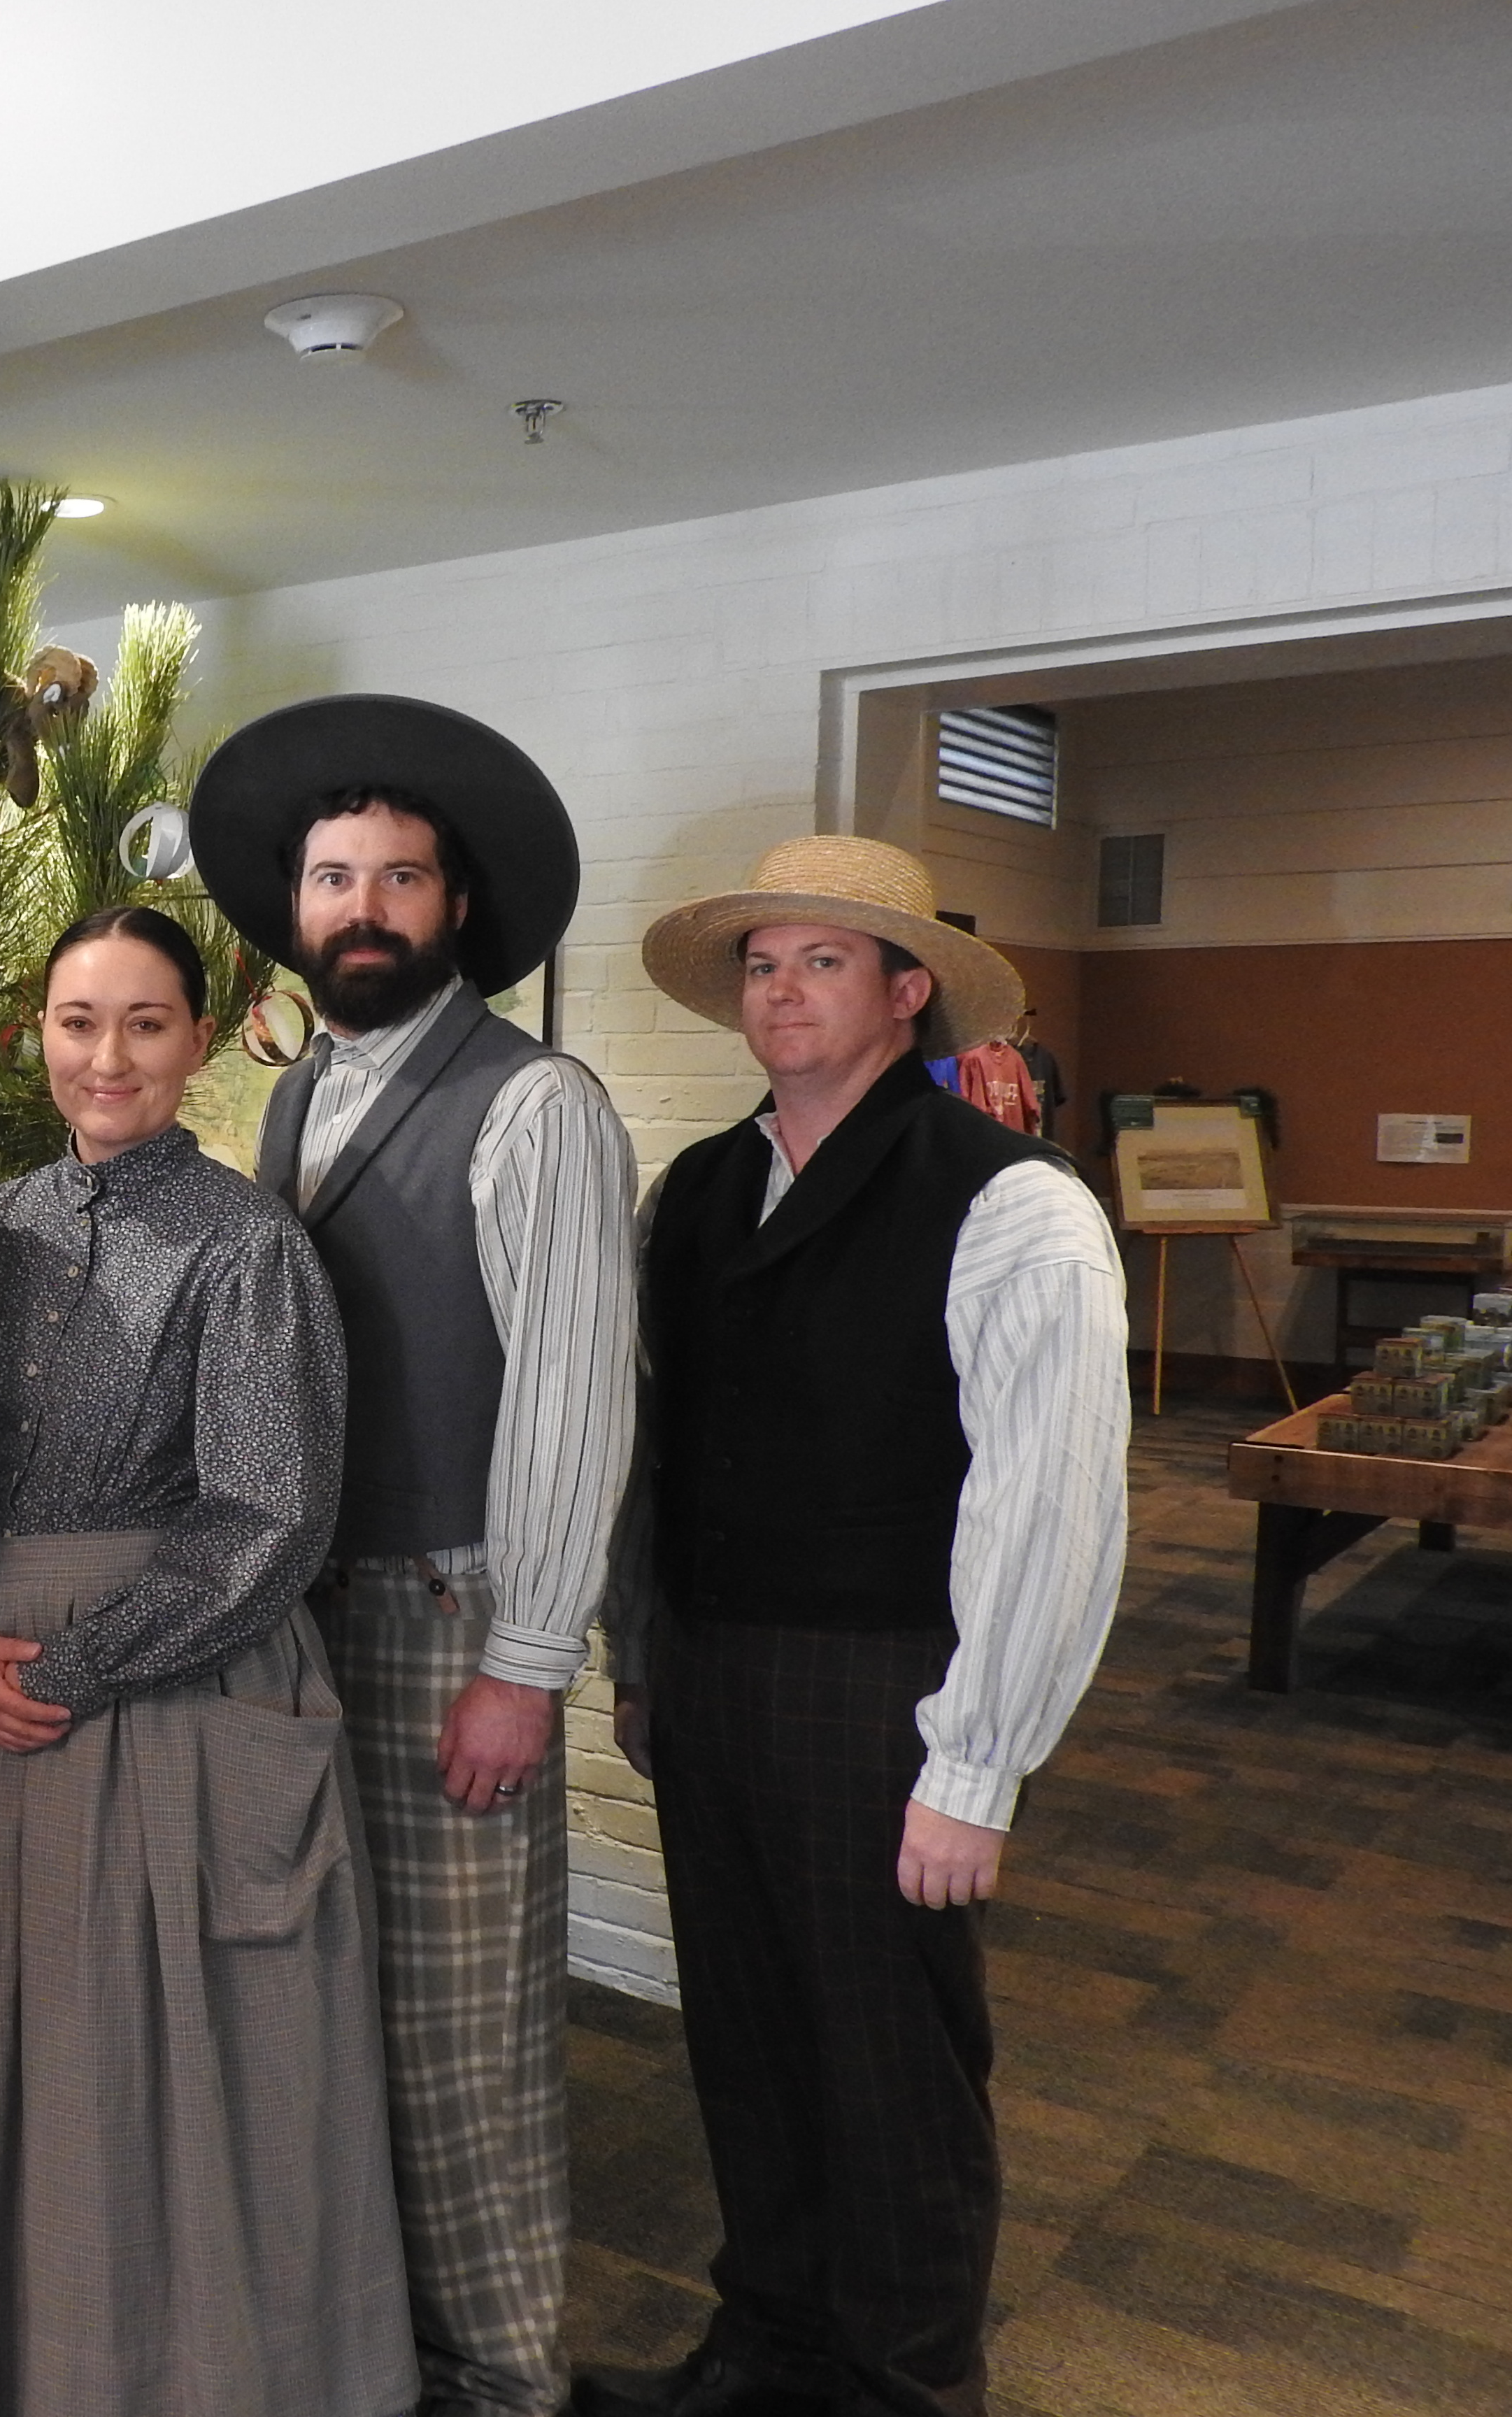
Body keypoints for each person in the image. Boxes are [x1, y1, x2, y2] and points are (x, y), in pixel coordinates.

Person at [574, 838, 1127, 2417]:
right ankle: (770, 2345)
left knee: (890, 2059)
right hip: (711, 1672)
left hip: (894, 1687)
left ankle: (903, 2379)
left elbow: (1049, 1496)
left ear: (905, 991)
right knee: (746, 2039)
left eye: (824, 959)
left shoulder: (1009, 1200)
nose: (781, 987)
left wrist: (979, 1759)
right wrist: (644, 1652)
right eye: (763, 961)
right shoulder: (692, 1191)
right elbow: (654, 1451)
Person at [0, 904, 416, 2417]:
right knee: (24, 2054)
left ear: (200, 1040)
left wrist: (68, 1669)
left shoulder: (252, 1243)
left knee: (178, 2065)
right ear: (35, 1035)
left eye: (143, 1022)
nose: (107, 1054)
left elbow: (270, 1521)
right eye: (77, 1021)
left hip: (178, 1696)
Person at [190, 694, 639, 2417]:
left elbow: (574, 1403)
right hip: (310, 1614)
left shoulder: (536, 1106)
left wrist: (525, 1665)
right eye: (330, 878)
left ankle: (508, 2374)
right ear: (294, 909)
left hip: (452, 1611)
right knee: (333, 2004)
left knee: (464, 2026)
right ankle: (381, 2351)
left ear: (457, 907)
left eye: (397, 877)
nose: (359, 906)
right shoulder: (299, 1095)